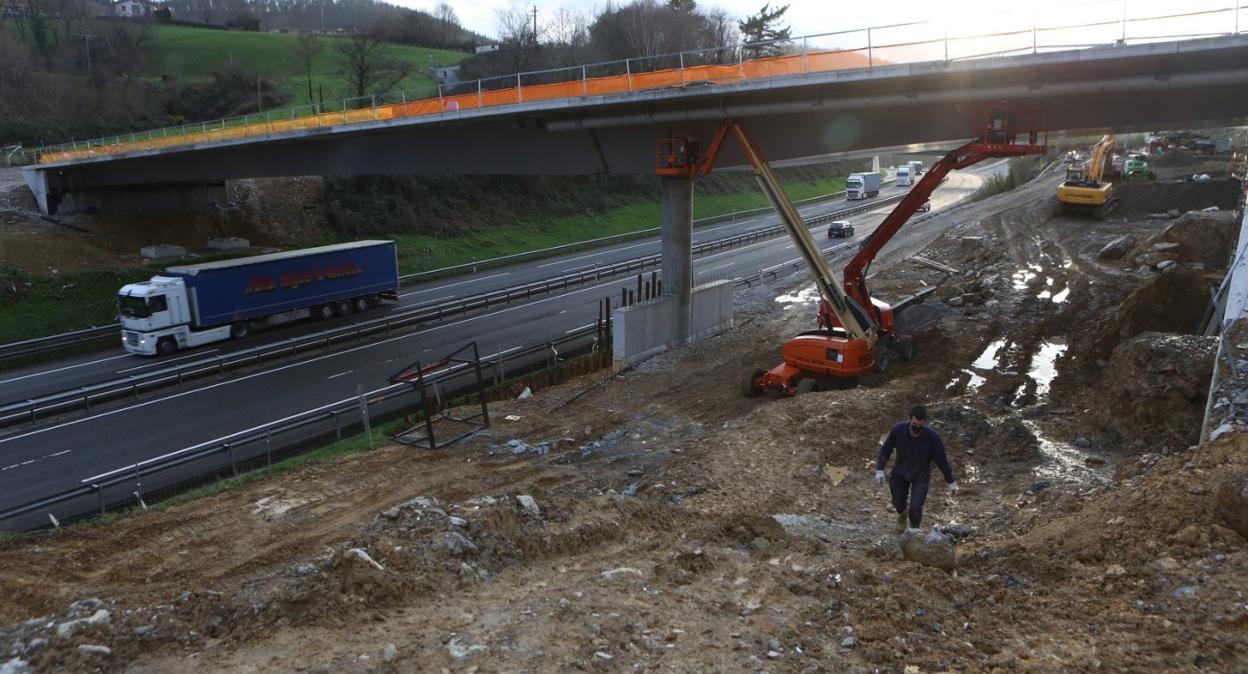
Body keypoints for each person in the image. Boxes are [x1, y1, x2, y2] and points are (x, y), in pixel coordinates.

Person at [875, 405, 957, 533]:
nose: (917, 428)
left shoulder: (933, 438)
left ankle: (914, 533)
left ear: (925, 423)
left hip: (921, 474)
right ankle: (902, 515)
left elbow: (942, 460)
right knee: (898, 501)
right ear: (909, 419)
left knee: (916, 508)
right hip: (900, 471)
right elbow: (886, 449)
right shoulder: (898, 430)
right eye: (914, 424)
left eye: (920, 425)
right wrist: (879, 469)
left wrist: (951, 481)